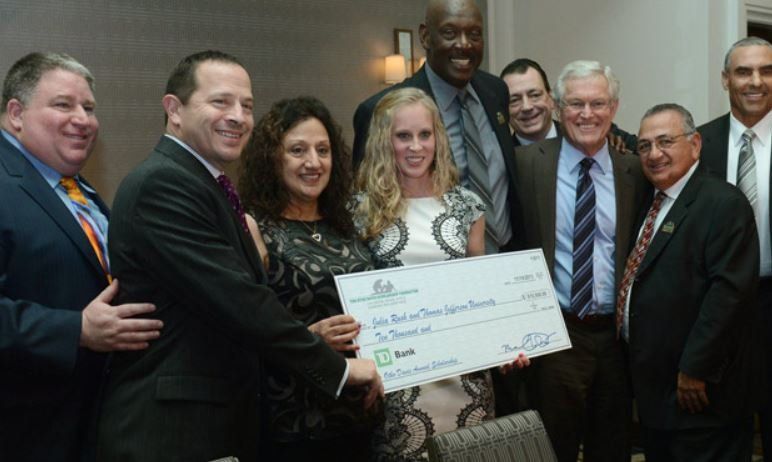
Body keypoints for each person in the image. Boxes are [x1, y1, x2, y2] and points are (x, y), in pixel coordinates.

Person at [95, 50, 383, 461]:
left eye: (246, 105)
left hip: (218, 422)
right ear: (173, 110)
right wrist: (339, 370)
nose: (238, 116)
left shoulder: (205, 185)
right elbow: (239, 301)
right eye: (220, 102)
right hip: (173, 430)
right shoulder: (164, 185)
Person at [0, 52, 162, 462]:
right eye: (63, 105)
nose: (83, 119)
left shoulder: (79, 191)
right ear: (16, 114)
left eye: (89, 108)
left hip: (94, 424)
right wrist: (75, 330)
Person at [353, 87, 527, 461]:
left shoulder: (467, 206)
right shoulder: (360, 211)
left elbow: (480, 295)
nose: (416, 146)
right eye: (403, 136)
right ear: (385, 140)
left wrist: (506, 344)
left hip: (466, 380)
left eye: (425, 134)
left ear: (438, 138)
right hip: (396, 385)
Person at [514, 60, 649, 461]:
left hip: (615, 340)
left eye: (598, 103)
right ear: (557, 107)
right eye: (575, 104)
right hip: (556, 335)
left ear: (614, 108)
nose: (587, 114)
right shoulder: (527, 164)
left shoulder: (635, 172)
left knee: (612, 445)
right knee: (552, 446)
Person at [238, 96, 379, 461]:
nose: (313, 163)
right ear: (273, 157)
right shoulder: (252, 230)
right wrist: (311, 338)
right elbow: (242, 328)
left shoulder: (348, 225)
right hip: (294, 420)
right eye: (298, 150)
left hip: (361, 413)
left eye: (323, 150)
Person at [622, 103, 764, 461]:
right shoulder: (651, 201)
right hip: (658, 397)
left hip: (700, 397)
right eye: (644, 146)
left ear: (696, 144)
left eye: (666, 141)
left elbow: (729, 296)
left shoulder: (722, 203)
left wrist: (695, 369)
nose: (655, 154)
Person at [353, 0, 524, 255]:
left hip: (507, 254)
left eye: (474, 34)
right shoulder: (381, 110)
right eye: (449, 33)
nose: (464, 44)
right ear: (425, 36)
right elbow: (368, 200)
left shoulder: (495, 91)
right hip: (428, 262)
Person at [697, 36, 772, 456]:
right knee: (725, 436)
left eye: (766, 70)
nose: (755, 81)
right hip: (718, 309)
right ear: (726, 79)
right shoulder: (698, 146)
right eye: (744, 71)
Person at [500, 57, 637, 151]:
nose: (527, 107)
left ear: (551, 99)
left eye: (535, 95)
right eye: (514, 100)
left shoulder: (591, 129)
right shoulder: (503, 158)